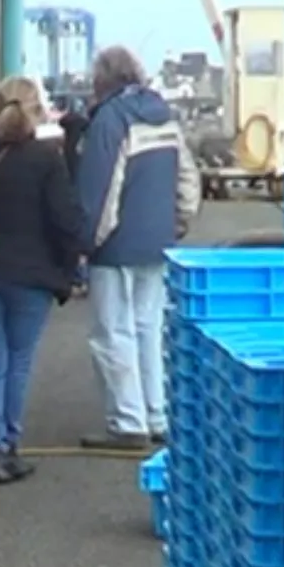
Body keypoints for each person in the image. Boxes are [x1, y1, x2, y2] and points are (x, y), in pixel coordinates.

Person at [0, 77, 90, 484]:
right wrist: (72, 263)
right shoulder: (46, 158)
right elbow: (65, 219)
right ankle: (7, 443)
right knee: (18, 360)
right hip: (32, 274)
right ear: (36, 111)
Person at [75, 46, 202, 451]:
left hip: (117, 246)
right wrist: (178, 222)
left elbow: (103, 190)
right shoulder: (163, 114)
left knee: (113, 333)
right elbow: (187, 177)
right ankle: (156, 413)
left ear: (103, 80)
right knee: (149, 329)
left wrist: (87, 244)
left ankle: (127, 421)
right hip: (159, 239)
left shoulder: (110, 120)